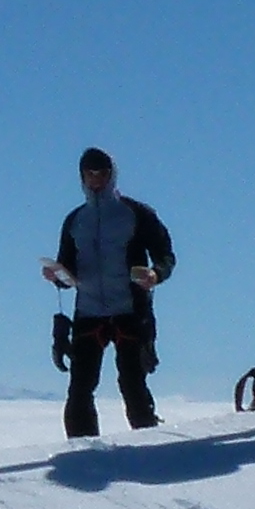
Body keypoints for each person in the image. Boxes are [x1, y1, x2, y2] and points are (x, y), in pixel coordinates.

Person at [42, 148, 174, 439]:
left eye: (102, 173)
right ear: (81, 177)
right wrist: (58, 276)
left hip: (130, 310)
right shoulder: (75, 220)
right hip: (88, 312)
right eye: (89, 174)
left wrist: (155, 274)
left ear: (112, 174)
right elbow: (67, 267)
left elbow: (165, 255)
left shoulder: (137, 213)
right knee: (79, 389)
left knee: (132, 384)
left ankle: (149, 447)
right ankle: (82, 452)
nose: (96, 179)